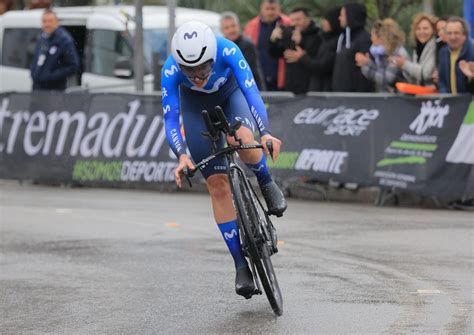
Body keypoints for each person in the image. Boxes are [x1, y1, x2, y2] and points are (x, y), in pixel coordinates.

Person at [161, 21, 287, 297]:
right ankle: (241, 265)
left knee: (240, 139)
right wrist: (181, 155)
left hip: (232, 98)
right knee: (217, 185)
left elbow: (251, 90)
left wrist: (264, 132)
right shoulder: (170, 69)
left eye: (203, 69)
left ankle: (265, 180)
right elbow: (170, 118)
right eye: (189, 71)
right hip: (195, 111)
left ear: (212, 57)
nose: (197, 77)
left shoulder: (228, 50)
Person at [268, 7, 322, 94]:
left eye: (298, 19)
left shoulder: (318, 34)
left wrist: (301, 43)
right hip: (290, 86)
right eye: (292, 20)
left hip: (311, 87)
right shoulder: (289, 32)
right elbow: (276, 54)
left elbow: (318, 61)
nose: (295, 23)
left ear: (308, 18)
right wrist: (273, 40)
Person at [244, 0, 291, 91]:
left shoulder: (288, 23)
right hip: (258, 76)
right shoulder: (251, 25)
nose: (270, 12)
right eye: (267, 9)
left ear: (279, 9)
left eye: (273, 9)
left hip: (282, 77)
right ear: (261, 9)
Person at [30, 9, 80, 91]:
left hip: (54, 91)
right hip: (37, 89)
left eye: (50, 21)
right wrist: (33, 72)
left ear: (57, 23)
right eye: (44, 21)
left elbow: (73, 66)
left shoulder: (64, 40)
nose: (47, 24)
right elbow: (35, 58)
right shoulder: (42, 38)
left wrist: (50, 76)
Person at [356, 19, 408, 92]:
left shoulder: (397, 53)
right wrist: (368, 63)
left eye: (372, 36)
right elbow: (381, 71)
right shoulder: (383, 53)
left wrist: (366, 66)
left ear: (381, 37)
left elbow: (387, 78)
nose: (371, 39)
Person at [332, 2, 374, 92]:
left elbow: (365, 72)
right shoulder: (343, 37)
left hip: (356, 97)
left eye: (342, 15)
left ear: (351, 16)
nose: (339, 18)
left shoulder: (364, 39)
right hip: (339, 93)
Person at [220, 11, 265, 90]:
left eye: (233, 26)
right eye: (227, 28)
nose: (231, 30)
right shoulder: (221, 46)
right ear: (221, 30)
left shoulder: (247, 44)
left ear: (238, 26)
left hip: (249, 88)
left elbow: (250, 71)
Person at [391, 12, 437, 87]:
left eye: (425, 28)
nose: (421, 32)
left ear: (433, 30)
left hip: (433, 94)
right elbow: (414, 78)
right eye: (418, 29)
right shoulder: (417, 48)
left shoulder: (435, 47)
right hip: (420, 93)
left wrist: (405, 64)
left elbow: (426, 74)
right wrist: (402, 66)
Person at [303, 6, 342, 92]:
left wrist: (303, 57)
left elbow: (322, 66)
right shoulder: (324, 38)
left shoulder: (337, 42)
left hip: (326, 90)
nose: (323, 23)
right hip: (317, 87)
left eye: (327, 20)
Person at [438, 16, 474, 94]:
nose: (452, 37)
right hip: (451, 103)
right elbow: (442, 81)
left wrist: (471, 78)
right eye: (449, 33)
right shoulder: (443, 52)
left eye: (456, 33)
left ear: (464, 35)